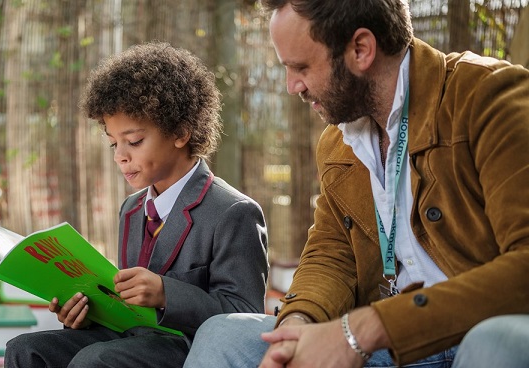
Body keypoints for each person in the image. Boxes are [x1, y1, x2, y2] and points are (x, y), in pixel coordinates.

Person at [183, 0, 529, 367]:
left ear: (361, 49)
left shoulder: (490, 98)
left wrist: (366, 328)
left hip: (472, 331)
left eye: (301, 67)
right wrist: (299, 326)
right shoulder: (338, 143)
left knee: (495, 343)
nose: (291, 86)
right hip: (389, 345)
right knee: (223, 334)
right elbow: (332, 254)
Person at [4, 42, 269, 368]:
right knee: (24, 350)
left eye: (134, 141)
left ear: (181, 132)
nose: (120, 155)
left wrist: (165, 293)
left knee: (95, 360)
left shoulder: (233, 212)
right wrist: (84, 313)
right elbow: (125, 309)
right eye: (114, 143)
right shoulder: (131, 210)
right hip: (131, 341)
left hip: (188, 347)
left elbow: (244, 317)